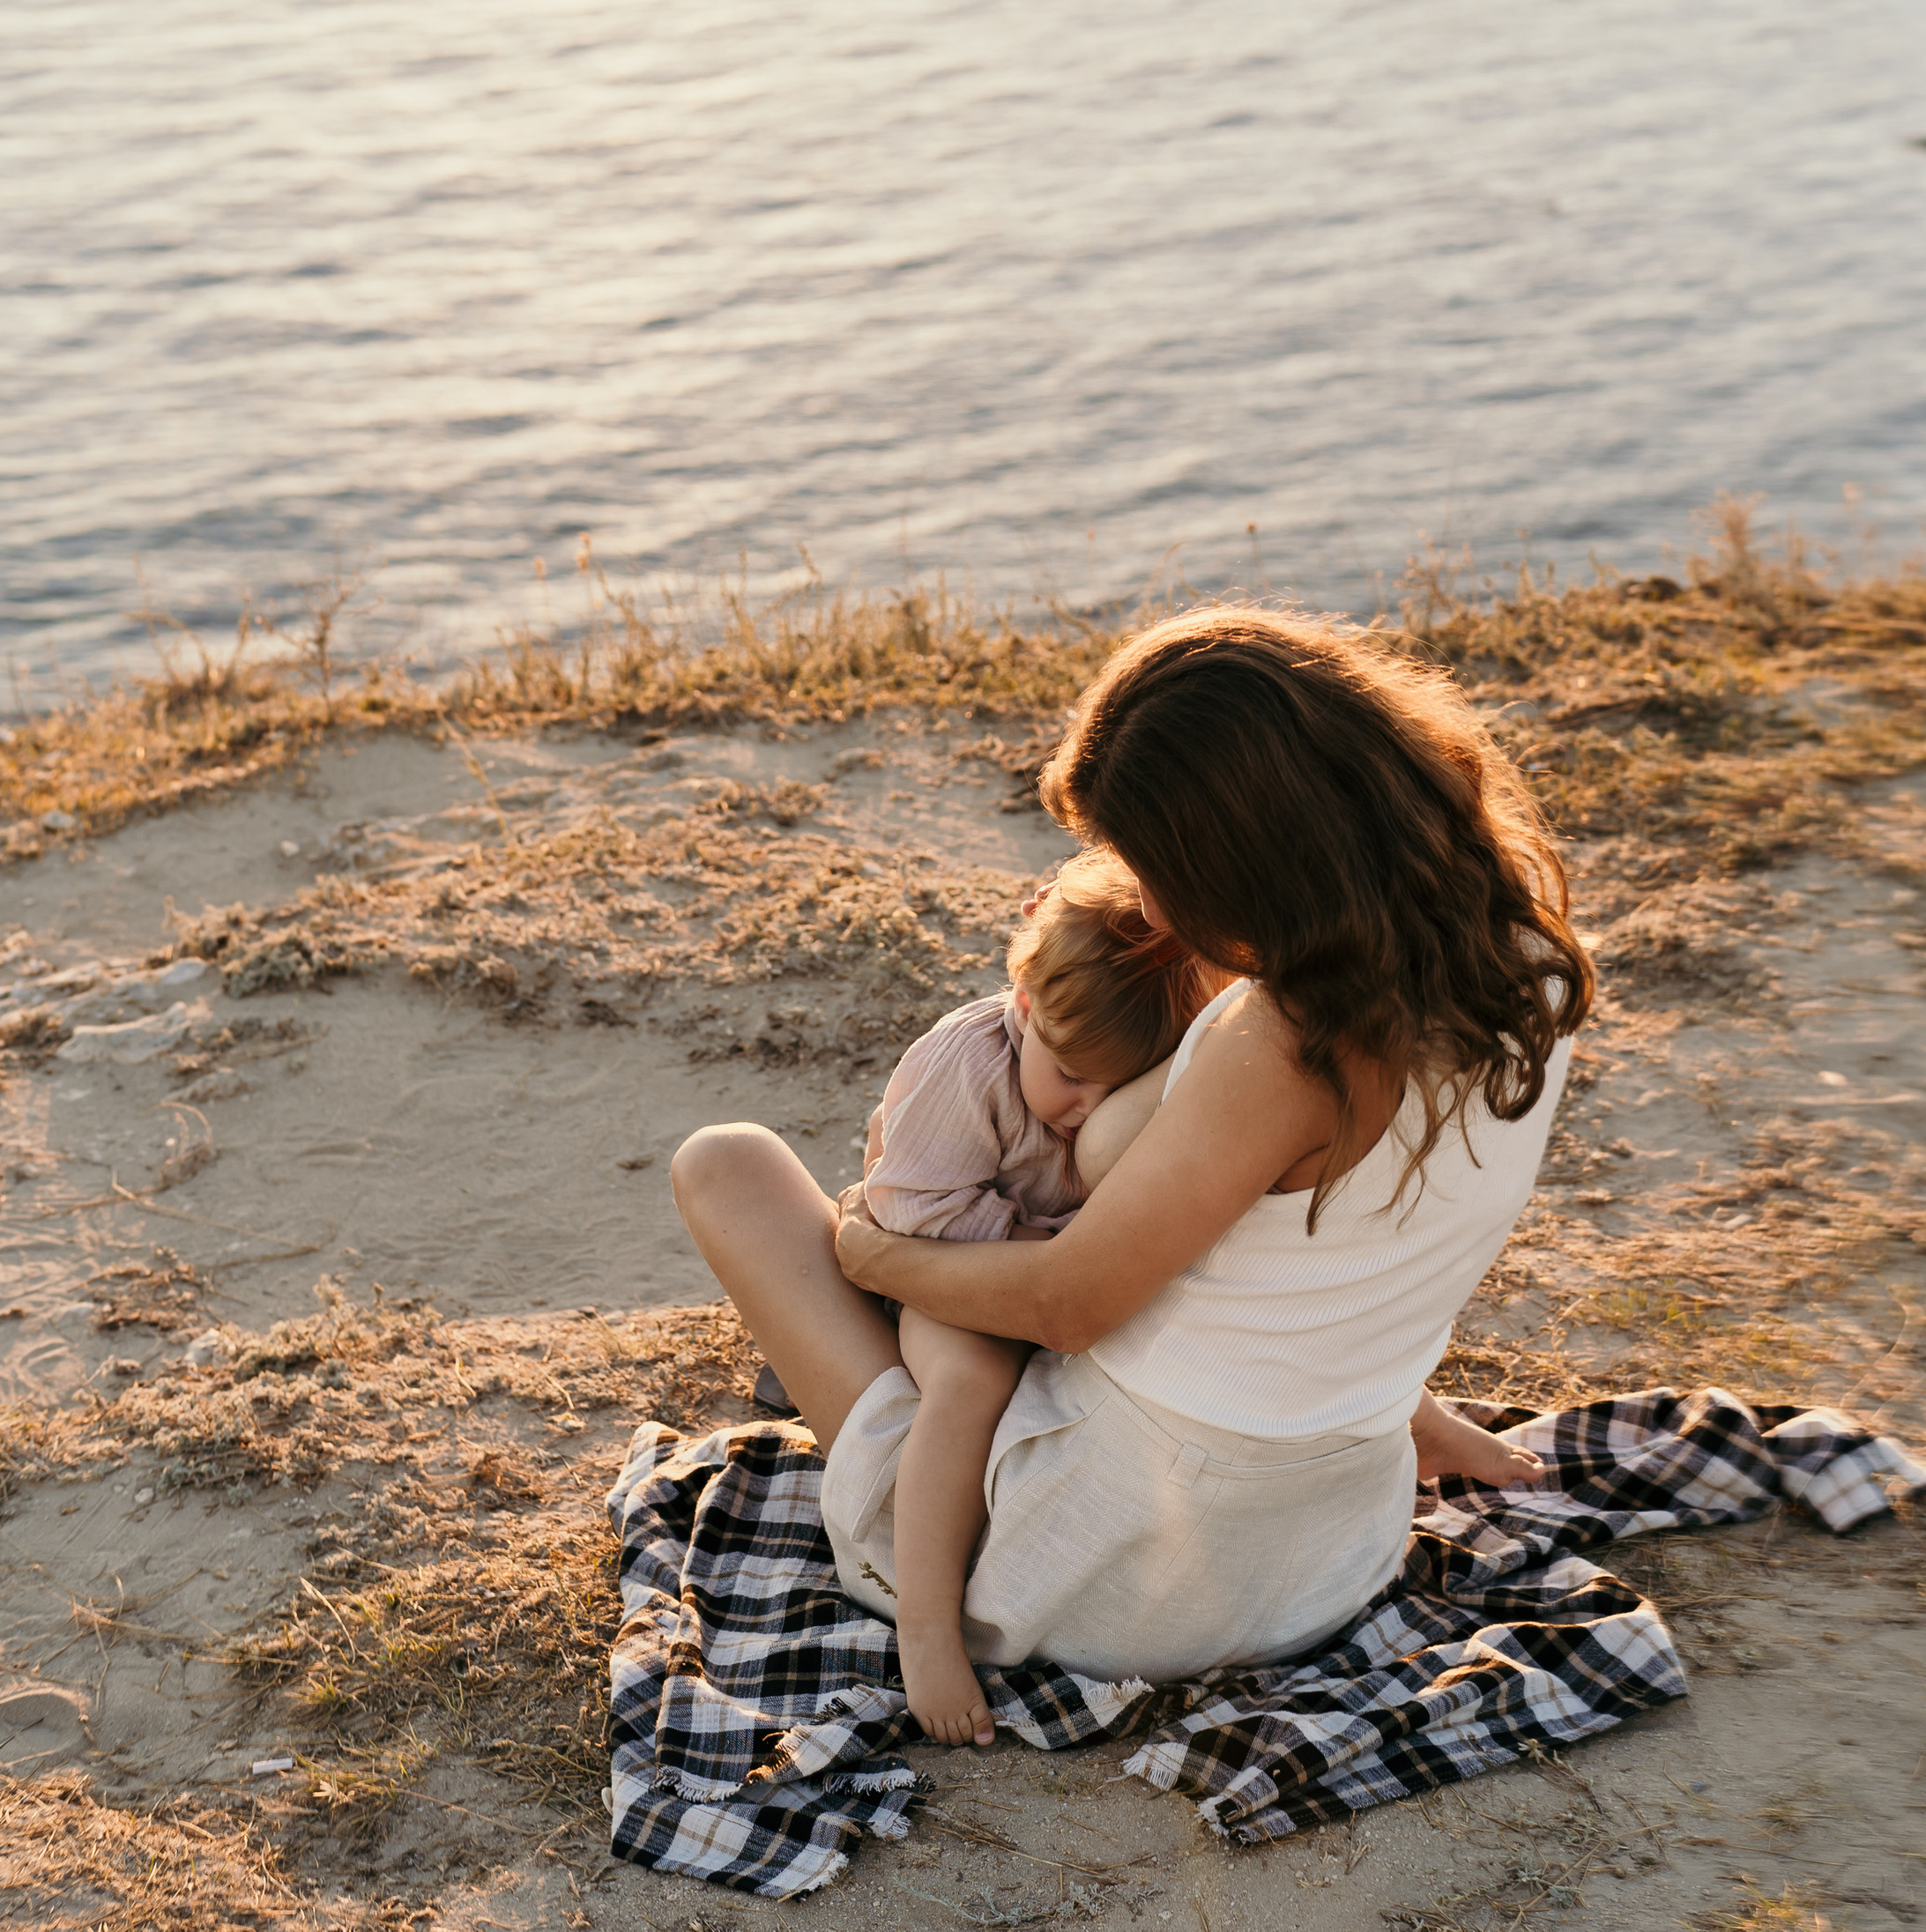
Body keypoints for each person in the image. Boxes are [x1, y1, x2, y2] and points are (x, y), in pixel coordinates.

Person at [671, 606, 1594, 1743]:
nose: (1154, 911)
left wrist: (878, 1255)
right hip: (1330, 1551)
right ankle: (1419, 1420)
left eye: (1164, 874)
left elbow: (1068, 1306)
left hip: (1116, 1566)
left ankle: (923, 1571)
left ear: (1250, 851)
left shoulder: (1282, 1041)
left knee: (730, 1166)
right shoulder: (1529, 955)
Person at [859, 853, 1221, 1741]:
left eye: (1117, 1090)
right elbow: (913, 1212)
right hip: (954, 1287)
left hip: (1071, 1287)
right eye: (1070, 1078)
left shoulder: (1144, 1063)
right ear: (1024, 1009)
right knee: (969, 1388)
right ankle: (928, 1627)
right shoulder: (966, 1065)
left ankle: (1416, 1418)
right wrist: (1045, 1254)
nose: (1087, 1109)